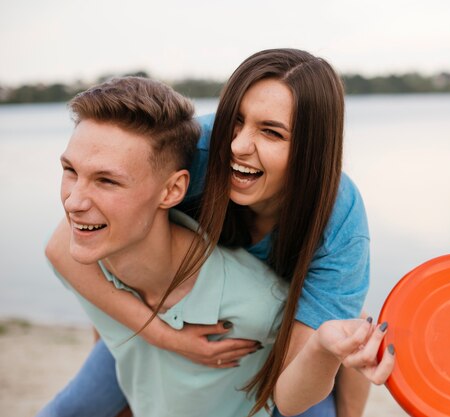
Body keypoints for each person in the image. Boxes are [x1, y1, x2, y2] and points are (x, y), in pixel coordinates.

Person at [41, 49, 395, 417]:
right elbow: (71, 242)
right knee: (70, 410)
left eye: (271, 132)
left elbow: (289, 396)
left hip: (284, 342)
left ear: (312, 149)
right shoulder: (200, 150)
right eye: (235, 121)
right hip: (166, 320)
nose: (239, 146)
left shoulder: (340, 227)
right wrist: (162, 338)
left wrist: (323, 350)